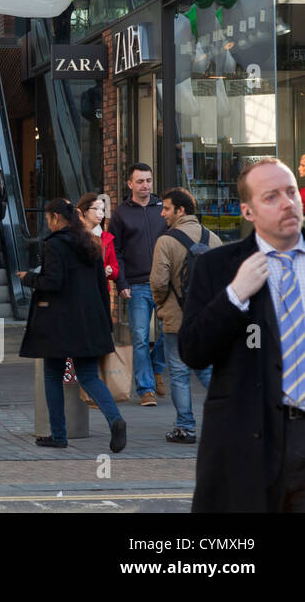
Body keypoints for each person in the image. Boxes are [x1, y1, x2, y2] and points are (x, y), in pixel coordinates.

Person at [179, 157, 305, 511]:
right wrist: (235, 296)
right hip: (249, 439)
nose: (287, 203)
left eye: (291, 192)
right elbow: (193, 350)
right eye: (271, 197)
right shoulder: (218, 266)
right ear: (247, 211)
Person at [18, 198, 127, 453]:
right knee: (88, 376)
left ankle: (58, 435)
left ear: (56, 217)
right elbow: (102, 284)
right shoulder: (90, 242)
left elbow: (53, 282)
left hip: (59, 323)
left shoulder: (54, 245)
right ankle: (115, 419)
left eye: (48, 219)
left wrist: (29, 278)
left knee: (52, 375)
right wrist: (104, 320)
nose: (48, 223)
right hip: (89, 320)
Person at [149, 187, 220, 445]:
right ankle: (232, 412)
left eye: (166, 208)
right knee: (206, 368)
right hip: (206, 318)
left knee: (178, 373)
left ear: (181, 210)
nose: (163, 214)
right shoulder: (213, 238)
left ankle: (185, 428)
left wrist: (162, 305)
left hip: (175, 319)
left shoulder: (166, 241)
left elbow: (158, 282)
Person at [110, 162, 168, 406]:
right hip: (136, 285)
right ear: (130, 184)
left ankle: (157, 367)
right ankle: (146, 389)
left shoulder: (163, 209)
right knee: (141, 337)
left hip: (164, 284)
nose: (146, 185)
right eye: (141, 181)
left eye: (149, 181)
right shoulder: (121, 213)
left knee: (169, 333)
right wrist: (121, 281)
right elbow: (116, 251)